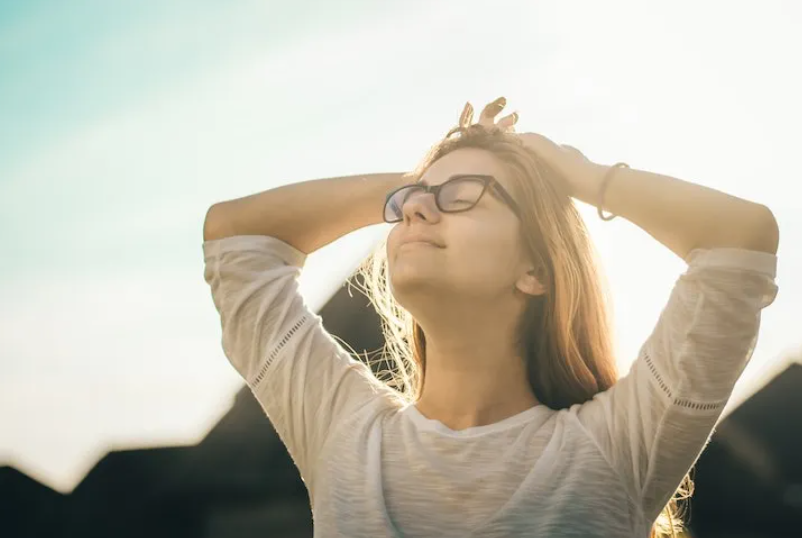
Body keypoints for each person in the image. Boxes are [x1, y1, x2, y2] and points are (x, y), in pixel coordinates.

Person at [202, 97, 779, 538]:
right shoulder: (342, 431)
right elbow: (236, 235)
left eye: (465, 194)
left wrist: (577, 174)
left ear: (537, 271)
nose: (417, 210)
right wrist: (416, 181)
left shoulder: (616, 445)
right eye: (409, 204)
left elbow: (739, 238)